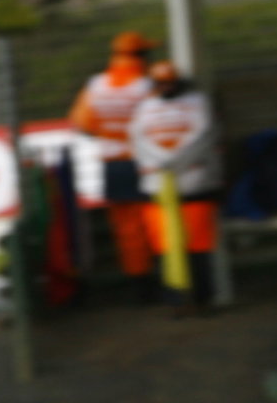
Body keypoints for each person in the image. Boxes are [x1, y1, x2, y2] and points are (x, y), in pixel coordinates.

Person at [68, 30, 159, 300]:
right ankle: (167, 281)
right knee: (155, 223)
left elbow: (82, 123)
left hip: (112, 166)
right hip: (144, 163)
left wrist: (109, 132)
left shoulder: (96, 85)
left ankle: (138, 286)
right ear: (141, 56)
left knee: (126, 230)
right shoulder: (147, 86)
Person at [129, 61, 224, 314]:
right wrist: (162, 162)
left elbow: (206, 135)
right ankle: (175, 302)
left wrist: (175, 162)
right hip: (157, 188)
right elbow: (138, 140)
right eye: (160, 82)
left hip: (196, 186)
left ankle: (203, 300)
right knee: (165, 247)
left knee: (198, 247)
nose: (165, 86)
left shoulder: (199, 102)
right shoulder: (144, 107)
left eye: (169, 81)